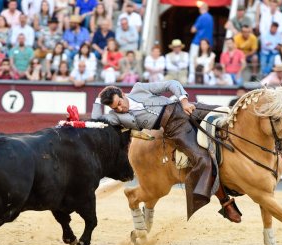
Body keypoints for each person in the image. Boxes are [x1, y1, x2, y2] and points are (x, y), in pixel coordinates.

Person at [91, 80, 242, 223]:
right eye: (115, 108)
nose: (120, 108)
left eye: (119, 103)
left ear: (123, 94)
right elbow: (96, 120)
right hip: (175, 129)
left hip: (184, 108)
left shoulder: (139, 88)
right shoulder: (116, 117)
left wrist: (184, 102)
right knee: (203, 159)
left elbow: (172, 84)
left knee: (229, 115)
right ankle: (225, 203)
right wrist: (98, 99)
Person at [189, 1, 213, 73]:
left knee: (193, 60)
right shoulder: (211, 18)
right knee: (206, 61)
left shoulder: (201, 17)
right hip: (208, 42)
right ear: (207, 9)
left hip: (197, 42)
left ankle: (192, 76)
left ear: (200, 9)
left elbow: (193, 30)